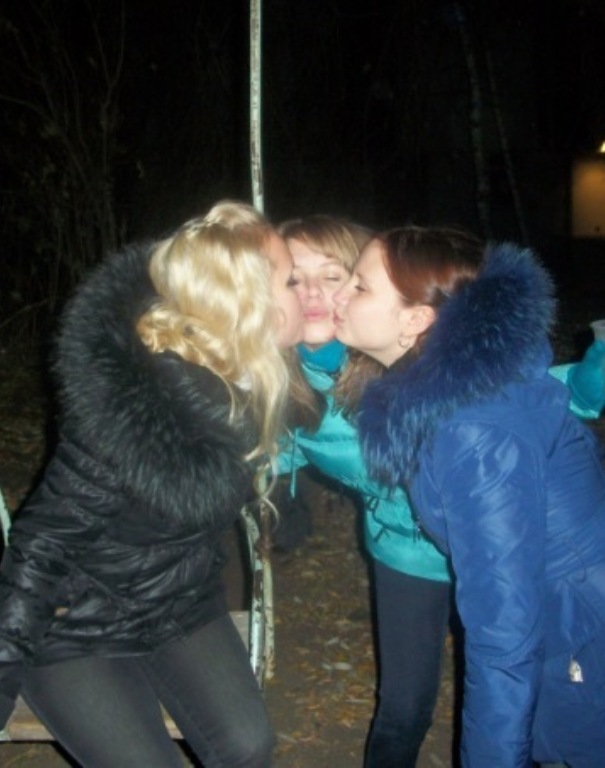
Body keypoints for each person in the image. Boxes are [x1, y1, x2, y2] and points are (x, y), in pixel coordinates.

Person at [277, 215, 605, 767]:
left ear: (415, 318)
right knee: (414, 706)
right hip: (424, 558)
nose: (324, 295)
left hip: (572, 614)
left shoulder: (465, 420)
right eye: (292, 277)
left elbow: (505, 635)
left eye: (348, 280)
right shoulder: (425, 377)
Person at [0, 200, 314, 768]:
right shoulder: (134, 417)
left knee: (249, 747)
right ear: (248, 304)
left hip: (179, 601)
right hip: (76, 624)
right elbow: (40, 546)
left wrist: (279, 500)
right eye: (292, 280)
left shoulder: (251, 380)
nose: (307, 292)